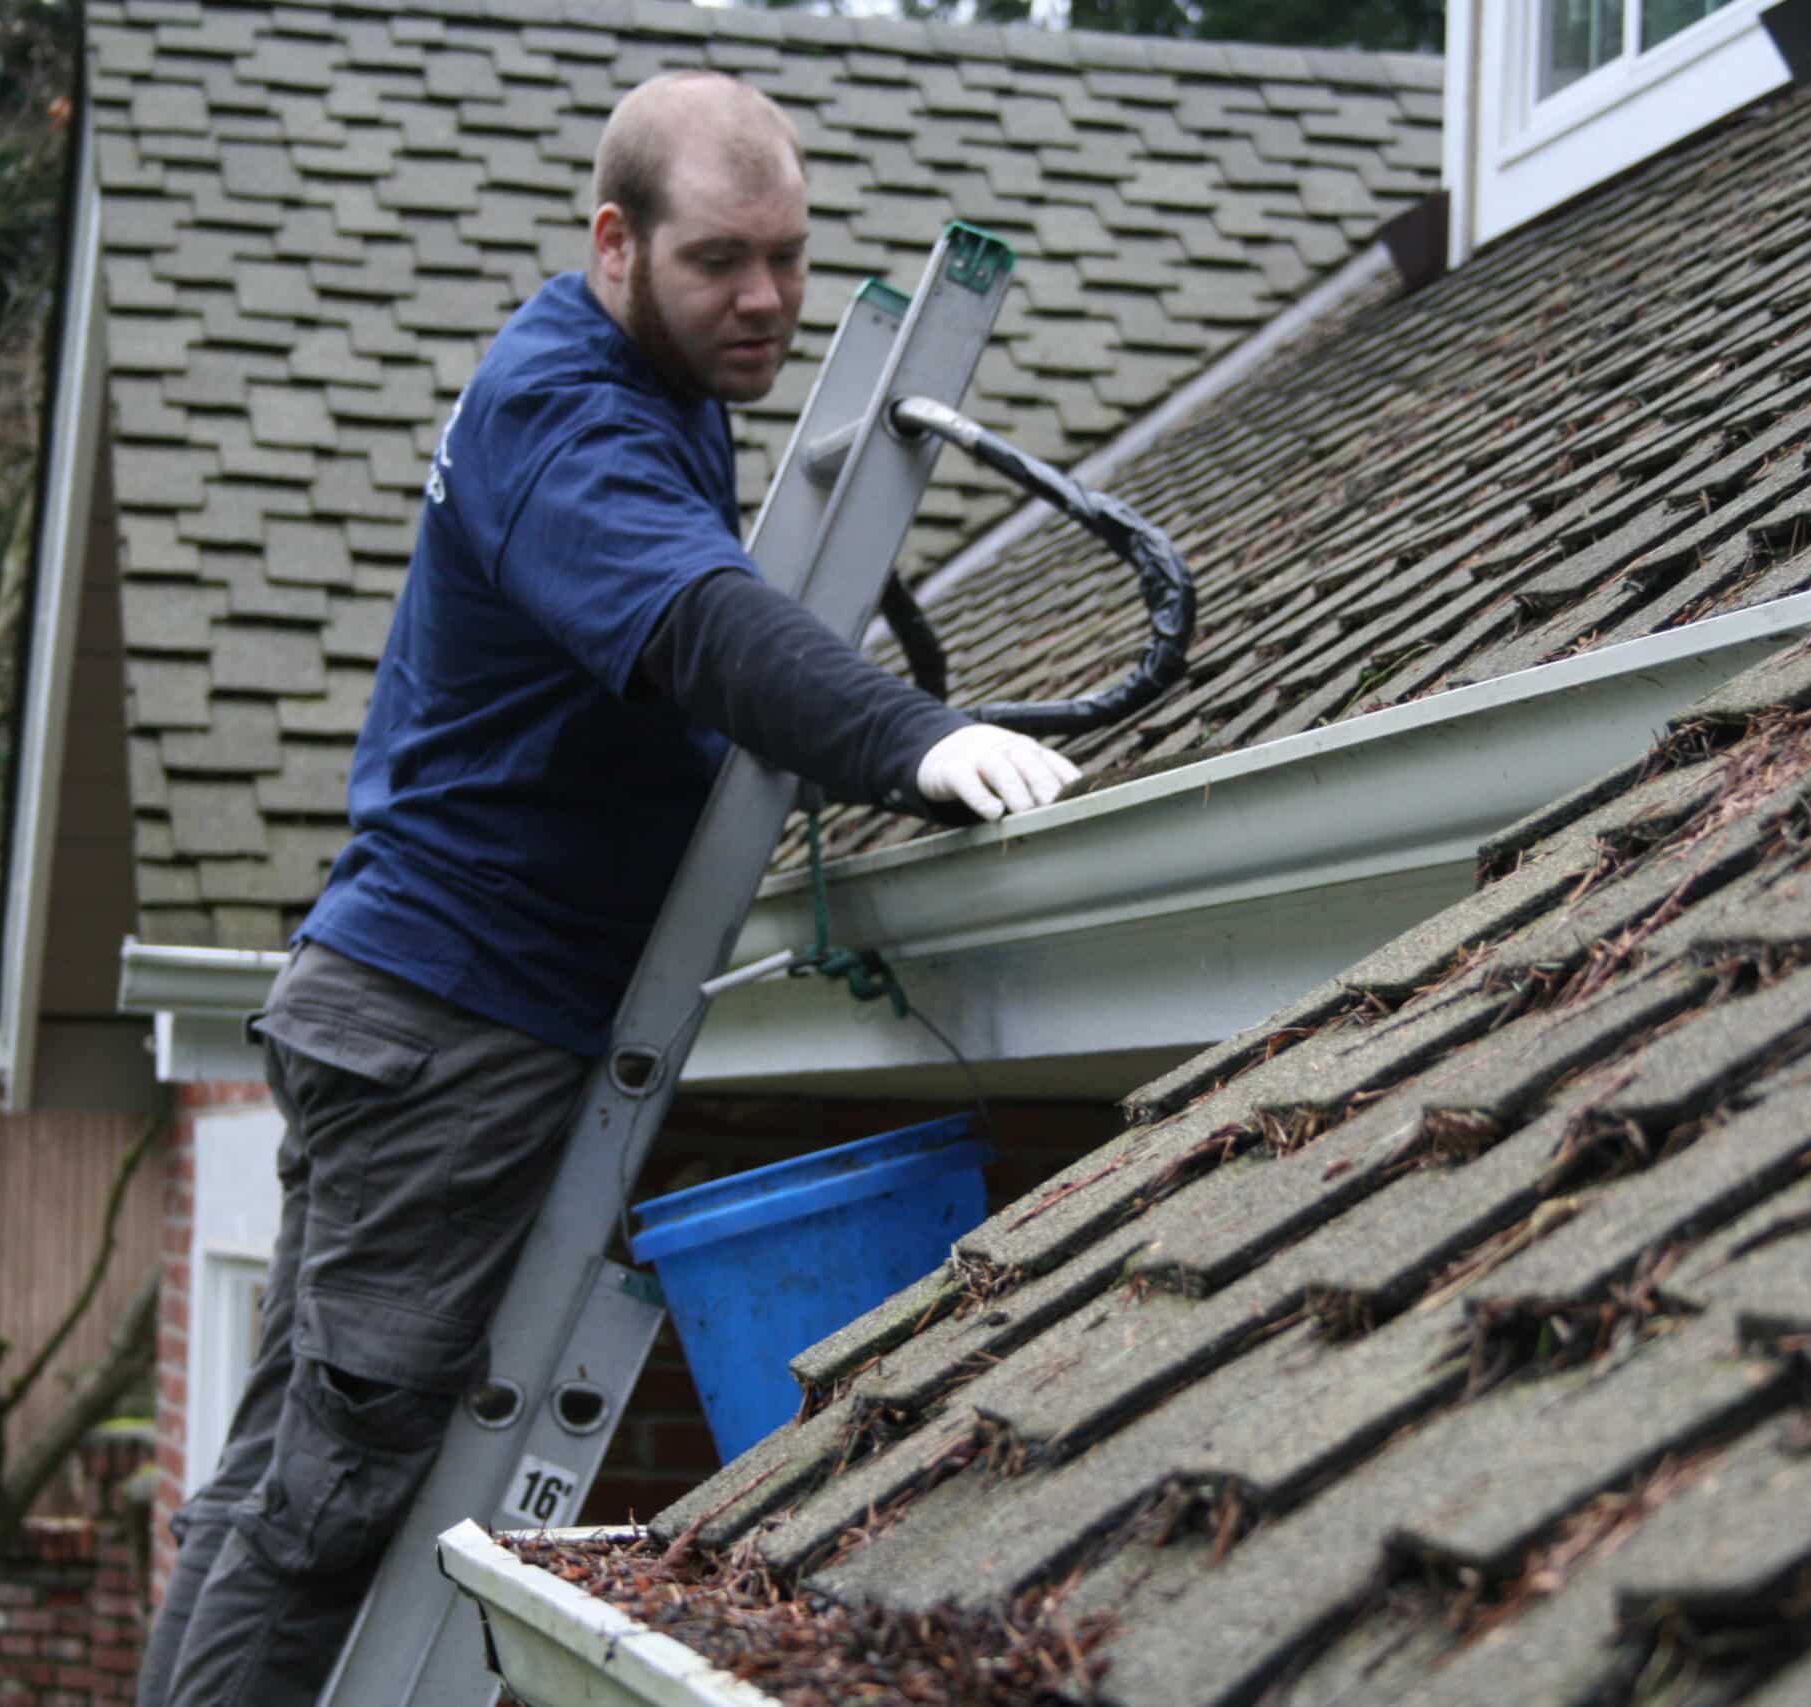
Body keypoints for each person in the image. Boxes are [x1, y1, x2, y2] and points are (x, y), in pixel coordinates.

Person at [135, 71, 1079, 1707]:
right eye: (722, 260)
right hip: (452, 1031)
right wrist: (909, 740)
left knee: (282, 1482)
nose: (769, 299)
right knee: (323, 1516)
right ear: (614, 243)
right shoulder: (562, 415)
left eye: (788, 254)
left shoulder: (655, 378)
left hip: (410, 1012)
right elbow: (701, 623)